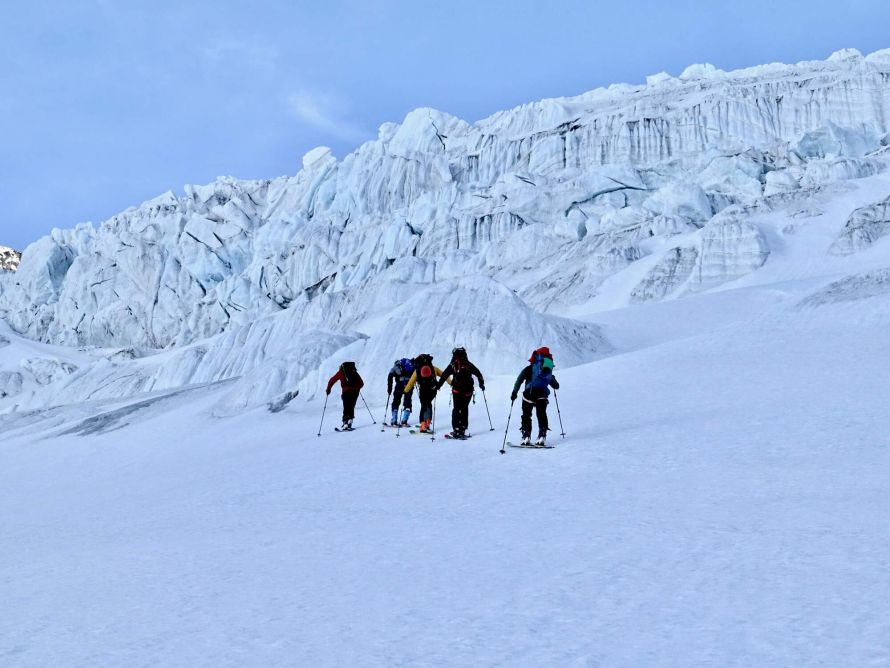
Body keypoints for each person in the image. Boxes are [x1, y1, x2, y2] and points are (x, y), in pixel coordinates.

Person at [511, 347, 559, 446]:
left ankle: (526, 436)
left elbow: (519, 380)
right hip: (542, 395)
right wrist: (552, 378)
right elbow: (556, 386)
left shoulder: (529, 369)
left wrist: (514, 393)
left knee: (526, 415)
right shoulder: (548, 372)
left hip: (529, 394)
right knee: (541, 414)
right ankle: (542, 436)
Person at [436, 347, 484, 439]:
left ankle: (456, 429)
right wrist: (481, 384)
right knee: (464, 408)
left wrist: (438, 386)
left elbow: (444, 375)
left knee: (457, 409)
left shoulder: (453, 365)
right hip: (468, 391)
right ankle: (463, 428)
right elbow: (479, 374)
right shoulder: (469, 364)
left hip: (457, 391)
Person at [403, 353, 450, 433]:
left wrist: (405, 390)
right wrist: (451, 383)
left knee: (424, 406)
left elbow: (411, 382)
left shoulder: (417, 370)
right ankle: (427, 423)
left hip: (423, 391)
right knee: (428, 404)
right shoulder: (433, 368)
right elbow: (444, 375)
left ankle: (423, 425)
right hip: (432, 390)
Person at [326, 361, 365, 431]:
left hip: (346, 392)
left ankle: (345, 423)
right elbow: (361, 383)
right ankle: (350, 421)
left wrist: (328, 389)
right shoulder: (354, 372)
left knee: (346, 407)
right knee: (351, 406)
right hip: (355, 392)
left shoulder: (341, 372)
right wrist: (356, 388)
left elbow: (332, 380)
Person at [387, 358, 415, 426]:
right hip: (409, 384)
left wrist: (389, 389)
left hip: (399, 385)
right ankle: (404, 420)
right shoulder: (410, 365)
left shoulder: (395, 367)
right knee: (408, 400)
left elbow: (390, 376)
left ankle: (394, 420)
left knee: (396, 401)